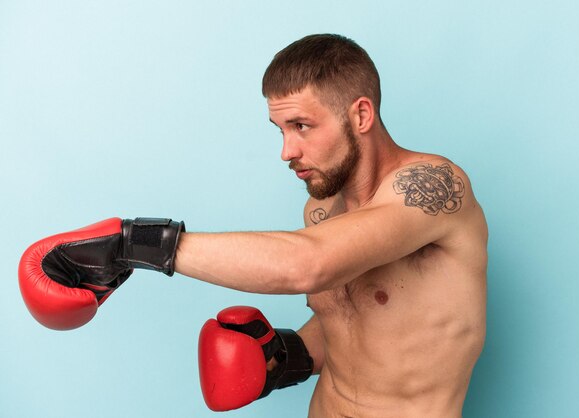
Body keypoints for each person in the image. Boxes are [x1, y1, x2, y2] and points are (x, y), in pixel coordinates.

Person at [18, 34, 488, 417]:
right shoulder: (323, 208)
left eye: (302, 126)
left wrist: (132, 245)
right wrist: (287, 357)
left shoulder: (434, 190)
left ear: (360, 115)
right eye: (279, 130)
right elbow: (355, 320)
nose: (286, 151)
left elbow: (308, 265)